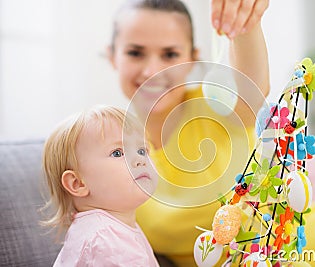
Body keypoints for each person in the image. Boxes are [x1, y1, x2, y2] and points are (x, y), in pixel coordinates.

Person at [106, 0, 270, 266]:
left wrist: (245, 21)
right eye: (136, 53)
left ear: (193, 57)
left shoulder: (218, 109)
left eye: (170, 54)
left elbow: (253, 89)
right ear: (112, 56)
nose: (152, 71)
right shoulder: (106, 148)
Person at [41, 105, 159, 266]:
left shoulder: (110, 229)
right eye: (117, 153)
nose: (140, 160)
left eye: (142, 150)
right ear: (78, 183)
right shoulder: (104, 239)